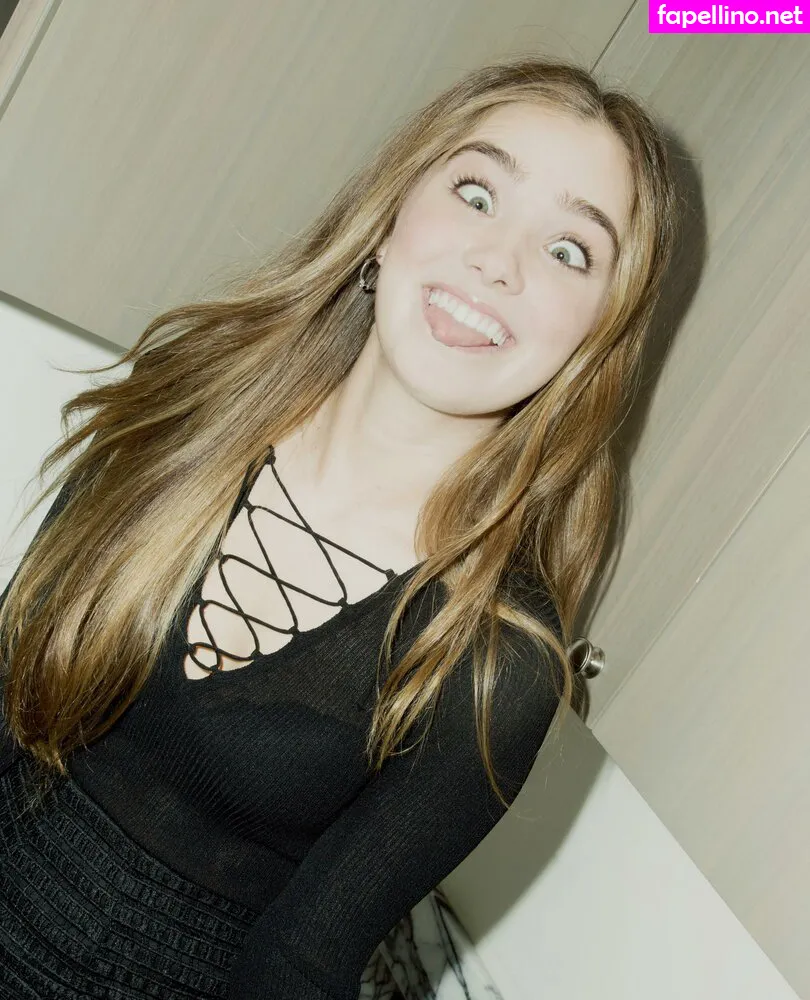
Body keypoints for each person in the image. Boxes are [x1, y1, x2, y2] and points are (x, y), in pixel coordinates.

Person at [0, 55, 679, 1000]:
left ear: (595, 338)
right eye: (477, 193)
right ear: (391, 218)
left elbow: (298, 970)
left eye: (569, 250)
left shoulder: (495, 661)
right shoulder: (192, 397)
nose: (498, 261)